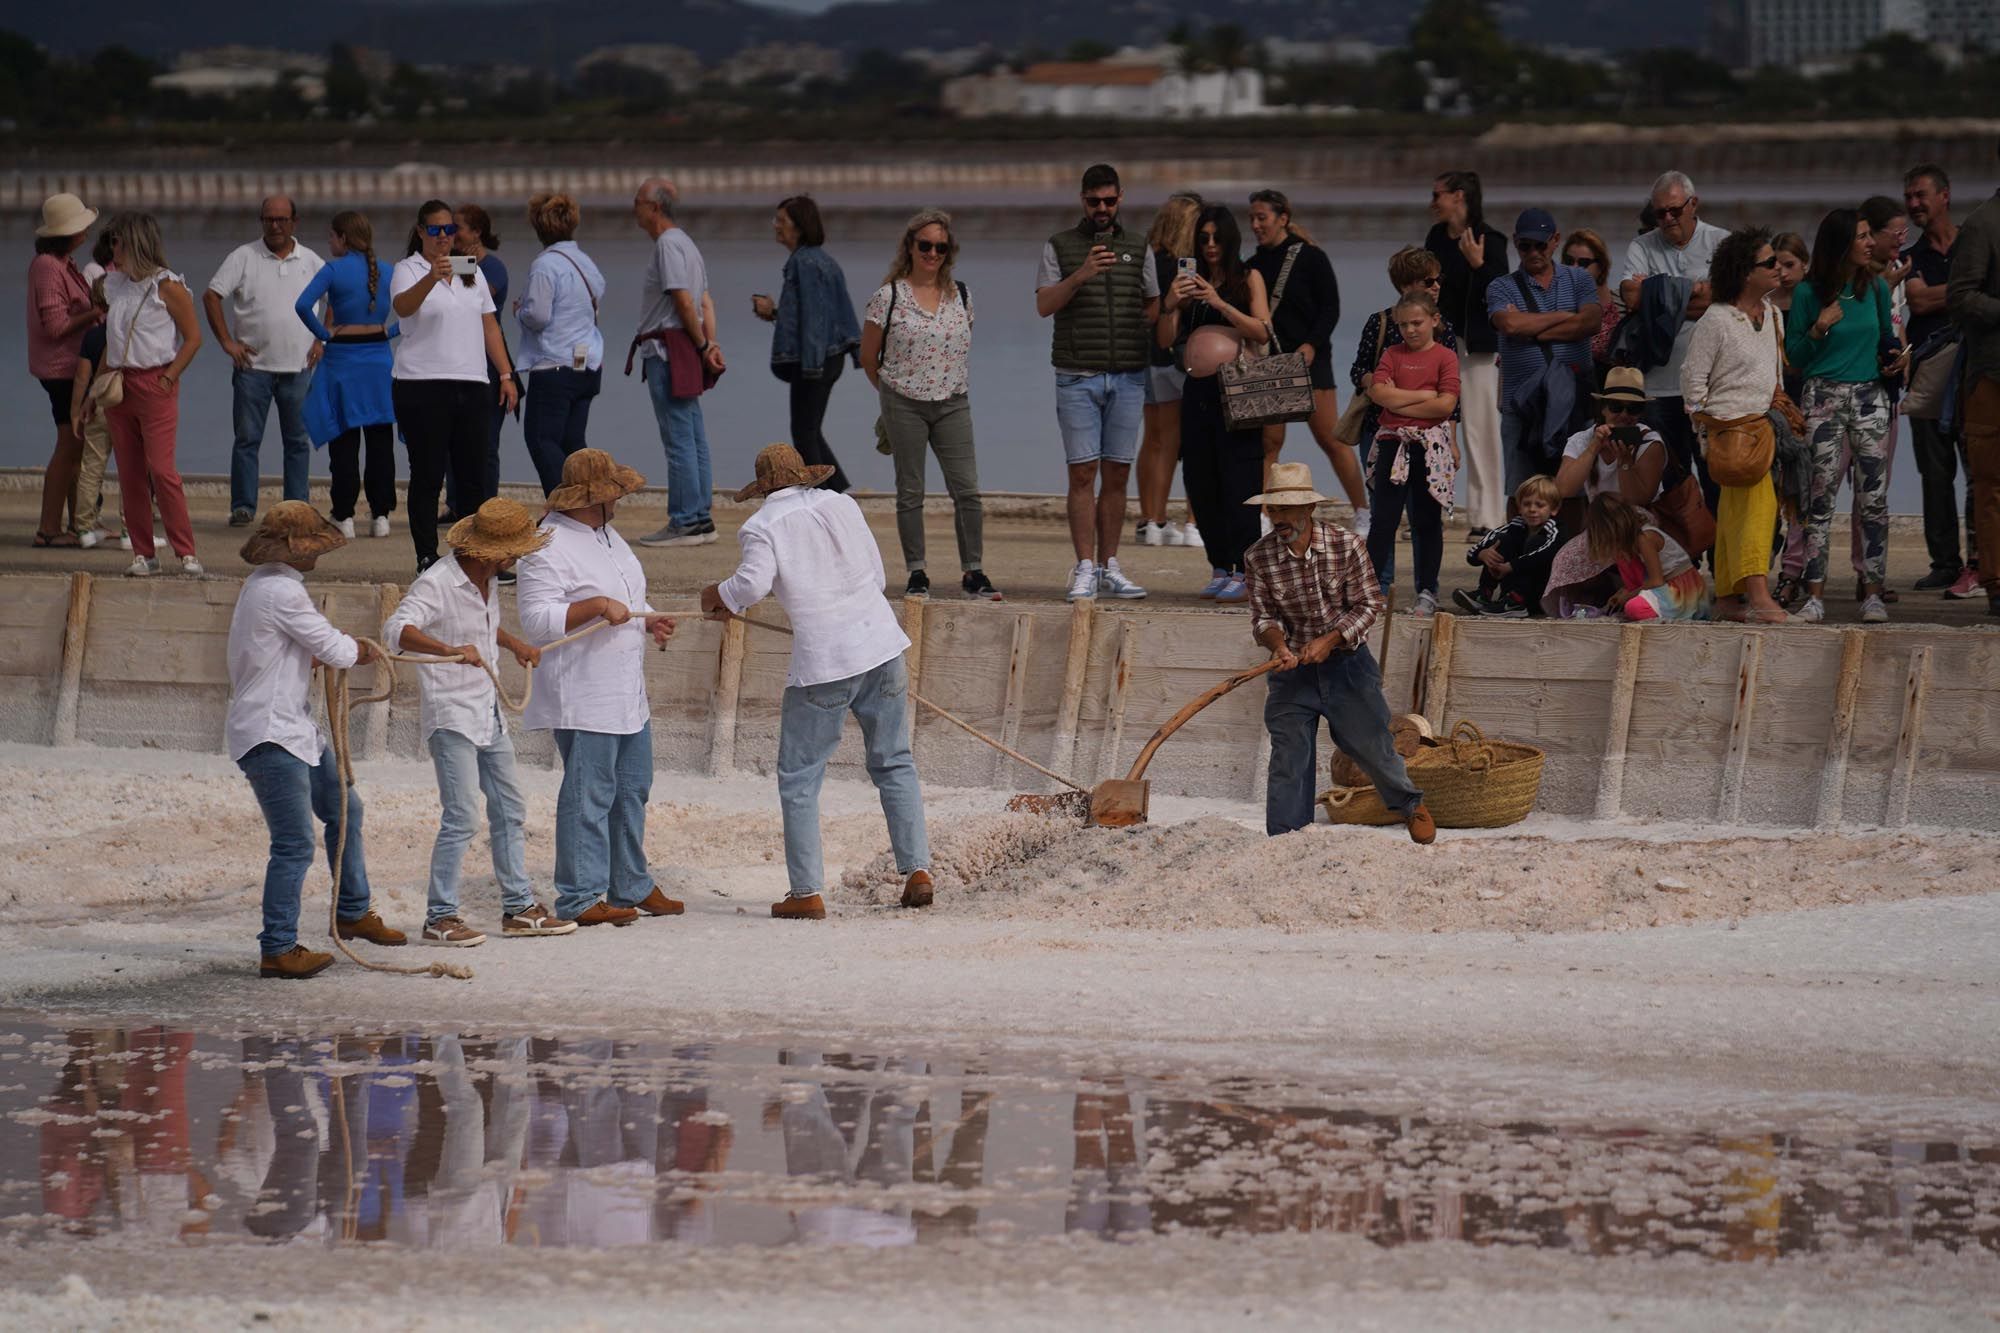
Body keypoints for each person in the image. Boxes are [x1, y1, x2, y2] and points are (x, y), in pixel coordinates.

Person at [700, 444, 933, 920]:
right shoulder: (842, 503)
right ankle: (918, 871)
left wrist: (715, 596)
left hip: (826, 661)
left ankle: (806, 893)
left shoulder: (761, 526)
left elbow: (750, 586)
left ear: (764, 488)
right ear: (804, 476)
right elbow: (878, 574)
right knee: (894, 762)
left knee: (800, 777)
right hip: (882, 644)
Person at [383, 498, 574, 947]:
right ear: (491, 551)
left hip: (486, 710)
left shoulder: (487, 580)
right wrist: (448, 651)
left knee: (510, 810)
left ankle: (519, 908)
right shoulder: (439, 583)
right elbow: (396, 630)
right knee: (462, 817)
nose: (517, 559)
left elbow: (482, 628)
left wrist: (510, 644)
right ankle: (439, 917)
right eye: (513, 552)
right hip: (451, 714)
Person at [226, 501, 404, 979]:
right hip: (271, 732)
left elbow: (298, 650)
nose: (317, 554)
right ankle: (278, 947)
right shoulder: (281, 591)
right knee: (293, 844)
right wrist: (357, 650)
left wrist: (333, 650)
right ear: (296, 549)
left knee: (348, 811)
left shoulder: (263, 585)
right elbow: (334, 649)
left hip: (291, 728)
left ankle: (351, 910)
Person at [515, 449, 678, 928]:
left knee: (632, 789)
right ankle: (580, 896)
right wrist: (595, 605)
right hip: (583, 692)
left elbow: (627, 596)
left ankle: (630, 882)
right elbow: (537, 621)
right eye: (616, 494)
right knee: (589, 793)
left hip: (627, 688)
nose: (622, 501)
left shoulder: (606, 533)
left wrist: (650, 620)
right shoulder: (545, 545)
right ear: (595, 499)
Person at [1243, 461, 1433, 844]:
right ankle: (1285, 838)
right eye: (1273, 509)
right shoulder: (1257, 557)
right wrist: (1279, 646)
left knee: (1371, 745)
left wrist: (1329, 641)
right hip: (1290, 671)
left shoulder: (1346, 546)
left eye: (1287, 508)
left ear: (1309, 509)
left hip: (1347, 665)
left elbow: (1368, 605)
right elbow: (1263, 618)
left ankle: (1411, 805)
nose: (1279, 517)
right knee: (1288, 754)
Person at [860, 208, 999, 601]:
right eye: (925, 245)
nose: (933, 253)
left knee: (968, 490)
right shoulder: (887, 297)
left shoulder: (963, 296)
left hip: (954, 402)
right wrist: (891, 397)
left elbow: (956, 348)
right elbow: (868, 357)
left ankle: (973, 571)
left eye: (941, 246)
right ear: (910, 247)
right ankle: (917, 572)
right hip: (903, 403)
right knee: (910, 491)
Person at [1035, 163, 1159, 602]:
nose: (1102, 208)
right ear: (1082, 200)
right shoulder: (1060, 246)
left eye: (1109, 200)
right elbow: (1044, 305)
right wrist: (1082, 274)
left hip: (1128, 375)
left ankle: (1110, 566)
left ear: (1120, 197)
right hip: (1076, 375)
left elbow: (1152, 307)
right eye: (1094, 202)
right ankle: (1085, 567)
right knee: (1082, 472)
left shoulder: (1139, 246)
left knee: (1118, 473)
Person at [390, 199, 519, 574]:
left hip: (472, 382)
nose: (444, 236)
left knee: (474, 475)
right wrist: (432, 275)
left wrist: (507, 375)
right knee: (428, 473)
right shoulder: (407, 269)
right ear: (421, 232)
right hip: (421, 384)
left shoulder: (471, 272)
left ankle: (477, 556)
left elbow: (490, 326)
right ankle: (427, 556)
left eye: (449, 230)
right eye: (435, 230)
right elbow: (403, 307)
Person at [1785, 208, 1896, 624]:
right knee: (1820, 499)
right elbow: (1794, 357)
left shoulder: (1878, 288)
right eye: (1863, 237)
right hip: (1823, 398)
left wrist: (1893, 360)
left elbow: (1886, 339)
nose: (1871, 243)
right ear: (1841, 245)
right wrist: (1818, 328)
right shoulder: (1808, 294)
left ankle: (1872, 594)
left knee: (1874, 500)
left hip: (1871, 396)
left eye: (1871, 235)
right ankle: (1814, 597)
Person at [1157, 203, 1271, 602]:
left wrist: (1219, 302)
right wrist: (1171, 302)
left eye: (1216, 238)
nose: (1209, 245)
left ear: (1229, 240)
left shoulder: (1247, 277)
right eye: (1202, 239)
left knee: (1239, 479)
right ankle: (1220, 565)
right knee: (1200, 480)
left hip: (1235, 390)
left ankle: (1246, 568)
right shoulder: (1188, 281)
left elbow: (1262, 330)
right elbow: (1163, 340)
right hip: (1197, 391)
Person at [1683, 226, 1789, 624]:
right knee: (1758, 511)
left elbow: (1774, 373)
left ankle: (1728, 598)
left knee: (1732, 514)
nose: (1778, 267)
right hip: (1730, 430)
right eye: (1769, 263)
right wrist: (1707, 431)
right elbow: (1692, 381)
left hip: (1764, 427)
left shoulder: (1773, 314)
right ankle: (1759, 595)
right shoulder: (1717, 319)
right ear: (1747, 272)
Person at [1247, 189, 1365, 527]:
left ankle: (1363, 511)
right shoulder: (1252, 265)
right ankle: (1263, 515)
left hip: (1311, 360)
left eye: (1262, 218)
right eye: (1252, 218)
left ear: (1282, 218)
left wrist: (1312, 344)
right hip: (1272, 362)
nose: (1255, 225)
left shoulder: (1312, 258)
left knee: (1331, 438)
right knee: (1270, 441)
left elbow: (1330, 308)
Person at [205, 196, 324, 527]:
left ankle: (296, 507)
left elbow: (335, 295)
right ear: (261, 221)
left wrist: (321, 339)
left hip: (298, 368)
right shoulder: (244, 257)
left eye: (281, 219)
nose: (275, 225)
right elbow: (211, 295)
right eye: (268, 219)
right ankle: (243, 506)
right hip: (252, 369)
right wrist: (227, 342)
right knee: (247, 440)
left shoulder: (311, 260)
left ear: (294, 222)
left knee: (298, 443)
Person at [1617, 171, 1729, 508]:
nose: (1667, 219)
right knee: (1671, 482)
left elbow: (1726, 300)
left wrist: (1658, 292)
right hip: (1659, 387)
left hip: (1710, 388)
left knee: (1715, 477)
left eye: (1674, 211)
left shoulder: (1722, 243)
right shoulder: (1642, 245)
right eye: (1659, 213)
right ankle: (1684, 558)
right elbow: (1632, 298)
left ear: (1693, 204)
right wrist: (1693, 290)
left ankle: (1719, 555)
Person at [1350, 247, 1462, 583]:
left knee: (1424, 515)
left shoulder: (1443, 330)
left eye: (1438, 278)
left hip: (1431, 437)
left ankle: (1425, 587)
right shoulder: (1382, 322)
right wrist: (1412, 396)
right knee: (1383, 514)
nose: (1437, 285)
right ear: (1407, 285)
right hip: (1382, 431)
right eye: (1429, 280)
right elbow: (1360, 372)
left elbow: (1450, 401)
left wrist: (1452, 440)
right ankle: (1378, 587)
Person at [102, 212, 204, 578]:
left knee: (162, 471)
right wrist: (93, 390)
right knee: (129, 474)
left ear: (135, 243)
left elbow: (193, 338)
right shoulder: (115, 285)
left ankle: (185, 550)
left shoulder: (168, 286)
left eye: (117, 242)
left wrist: (169, 377)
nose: (112, 249)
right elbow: (111, 343)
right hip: (119, 385)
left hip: (155, 383)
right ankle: (144, 553)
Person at [630, 177, 725, 548]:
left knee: (679, 438)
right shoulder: (686, 243)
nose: (633, 208)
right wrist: (709, 343)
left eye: (637, 201)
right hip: (688, 344)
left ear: (654, 207)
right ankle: (699, 516)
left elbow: (686, 301)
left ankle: (685, 519)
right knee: (694, 435)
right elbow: (705, 302)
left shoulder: (668, 245)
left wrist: (703, 347)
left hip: (670, 349)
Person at [294, 210, 397, 540]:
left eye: (331, 236)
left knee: (345, 441)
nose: (328, 241)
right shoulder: (389, 271)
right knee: (381, 442)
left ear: (343, 237)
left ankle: (344, 515)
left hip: (343, 360)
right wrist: (389, 330)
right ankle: (381, 515)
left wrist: (324, 335)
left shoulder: (333, 270)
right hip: (379, 359)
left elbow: (302, 305)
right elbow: (415, 310)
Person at [1901, 164, 1978, 599]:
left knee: (1979, 472)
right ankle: (1944, 563)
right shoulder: (1910, 256)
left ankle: (1980, 563)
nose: (1914, 204)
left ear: (1944, 196)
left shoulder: (1974, 242)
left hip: (1971, 374)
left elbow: (1932, 296)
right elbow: (1917, 299)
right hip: (1928, 375)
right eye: (1909, 197)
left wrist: (1940, 291)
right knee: (1934, 473)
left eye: (1920, 195)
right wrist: (1967, 290)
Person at [1488, 207, 1601, 493]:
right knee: (1521, 492)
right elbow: (1510, 325)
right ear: (1515, 243)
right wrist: (1566, 316)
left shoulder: (1579, 280)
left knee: (1574, 492)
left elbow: (1590, 322)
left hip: (1574, 403)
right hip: (1522, 407)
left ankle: (1572, 540)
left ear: (1555, 241)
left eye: (1540, 245)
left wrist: (1532, 330)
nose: (1534, 252)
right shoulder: (1501, 286)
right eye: (1525, 246)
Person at [1543, 367, 1671, 619]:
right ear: (1602, 409)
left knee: (1614, 539)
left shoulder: (1650, 442)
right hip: (1600, 524)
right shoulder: (1583, 439)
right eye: (1616, 407)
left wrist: (1624, 462)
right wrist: (1594, 448)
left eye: (1632, 409)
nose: (1624, 415)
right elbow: (1563, 489)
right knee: (1567, 559)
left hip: (1638, 523)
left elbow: (1639, 499)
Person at [754, 195, 860, 493]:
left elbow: (815, 320)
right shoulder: (817, 259)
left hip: (815, 361)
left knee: (804, 433)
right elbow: (814, 314)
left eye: (781, 221)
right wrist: (774, 313)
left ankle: (826, 497)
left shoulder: (806, 262)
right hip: (823, 357)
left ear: (799, 227)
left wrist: (811, 368)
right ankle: (838, 493)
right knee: (809, 432)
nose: (776, 226)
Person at [1363, 291, 1460, 616]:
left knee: (1427, 521)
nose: (1410, 330)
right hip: (1394, 443)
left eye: (1416, 323)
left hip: (1430, 446)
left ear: (1433, 320)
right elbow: (1378, 395)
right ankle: (1372, 590)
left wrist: (1398, 397)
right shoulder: (1392, 353)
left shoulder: (1445, 356)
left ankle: (1427, 590)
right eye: (1403, 325)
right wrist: (1423, 395)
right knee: (1383, 521)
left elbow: (1446, 405)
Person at [1424, 170, 1509, 535]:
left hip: (1478, 348)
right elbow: (1428, 283)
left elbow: (1504, 291)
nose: (1433, 202)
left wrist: (1478, 263)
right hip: (1441, 340)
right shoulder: (1435, 238)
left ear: (1459, 196)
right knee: (1435, 425)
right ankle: (1436, 508)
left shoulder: (1492, 240)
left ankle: (1489, 516)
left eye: (1437, 195)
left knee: (1481, 428)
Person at [515, 192, 607, 495]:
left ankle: (566, 507)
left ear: (537, 226)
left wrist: (520, 311)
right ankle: (590, 502)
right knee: (572, 443)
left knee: (541, 439)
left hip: (554, 365)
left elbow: (539, 316)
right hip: (587, 363)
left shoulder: (545, 266)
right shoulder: (586, 261)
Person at [27, 192, 101, 549]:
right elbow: (55, 326)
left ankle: (77, 524)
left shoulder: (63, 262)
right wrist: (97, 311)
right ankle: (48, 528)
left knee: (76, 447)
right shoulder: (47, 267)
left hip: (71, 367)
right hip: (60, 369)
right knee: (69, 445)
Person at [1947, 142, 2000, 618]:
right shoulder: (1983, 224)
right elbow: (1961, 298)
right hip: (1991, 378)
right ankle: (1997, 583)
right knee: (1992, 484)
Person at [1135, 191, 1202, 547]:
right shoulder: (1183, 263)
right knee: (1186, 440)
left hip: (1148, 356)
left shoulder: (1148, 258)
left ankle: (1151, 519)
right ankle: (1190, 521)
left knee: (1154, 439)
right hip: (1177, 357)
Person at [449, 203, 510, 516]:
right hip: (455, 358)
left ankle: (487, 506)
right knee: (453, 438)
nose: (451, 232)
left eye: (457, 226)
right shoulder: (452, 263)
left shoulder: (493, 267)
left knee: (485, 442)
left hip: (487, 360)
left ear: (477, 232)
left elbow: (475, 295)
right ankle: (456, 504)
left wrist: (462, 262)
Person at [1585, 492, 1711, 622]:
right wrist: (1624, 592)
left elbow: (1656, 581)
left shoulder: (1645, 538)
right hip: (1672, 584)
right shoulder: (1637, 540)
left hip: (1682, 590)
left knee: (1633, 607)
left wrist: (1628, 596)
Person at [1456, 475, 1562, 618]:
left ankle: (1517, 602)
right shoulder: (1515, 526)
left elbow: (1546, 554)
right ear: (1519, 507)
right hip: (1510, 589)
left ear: (1554, 509)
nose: (1532, 509)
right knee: (1502, 540)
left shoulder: (1555, 530)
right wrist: (1482, 554)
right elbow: (1473, 553)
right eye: (1527, 504)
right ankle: (1484, 594)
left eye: (1540, 505)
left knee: (1536, 544)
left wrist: (1511, 566)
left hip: (1541, 594)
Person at [1566, 228, 1622, 371]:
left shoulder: (1623, 307)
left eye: (1584, 263)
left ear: (1602, 266)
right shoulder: (1557, 303)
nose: (1574, 268)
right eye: (1568, 261)